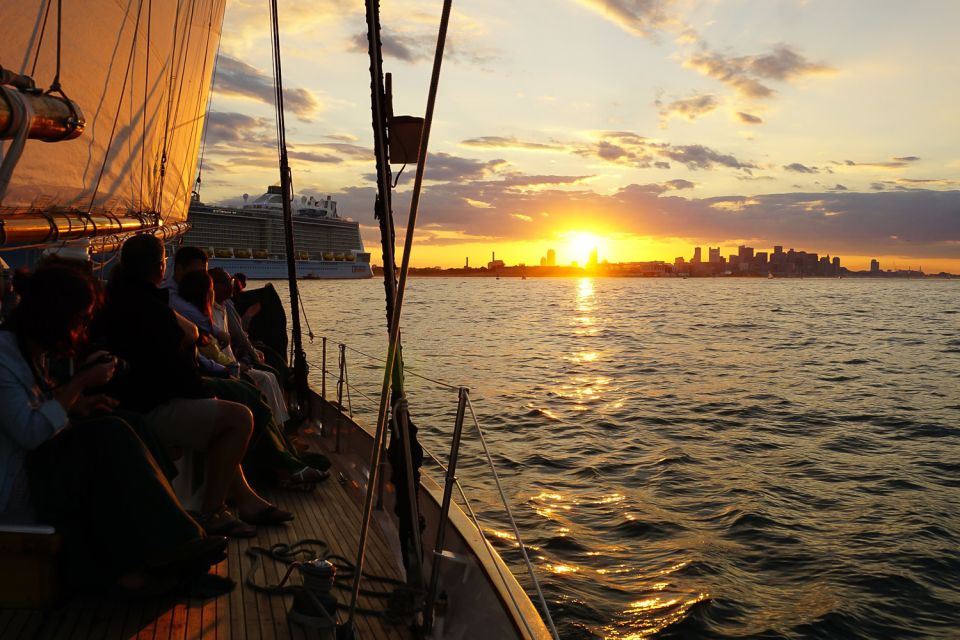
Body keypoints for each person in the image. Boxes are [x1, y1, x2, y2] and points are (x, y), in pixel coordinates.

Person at [0, 264, 228, 594]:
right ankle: (177, 543)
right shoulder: (5, 358)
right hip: (21, 482)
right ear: (55, 317)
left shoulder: (30, 351)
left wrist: (76, 404)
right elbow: (29, 432)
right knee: (110, 434)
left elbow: (28, 406)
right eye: (79, 321)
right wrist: (79, 383)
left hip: (40, 464)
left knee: (125, 421)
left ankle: (167, 534)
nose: (81, 330)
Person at [92, 234, 290, 535]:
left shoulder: (122, 298)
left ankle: (246, 500)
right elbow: (175, 359)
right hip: (147, 406)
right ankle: (213, 512)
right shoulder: (147, 308)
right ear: (162, 267)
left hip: (135, 398)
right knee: (240, 419)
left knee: (222, 406)